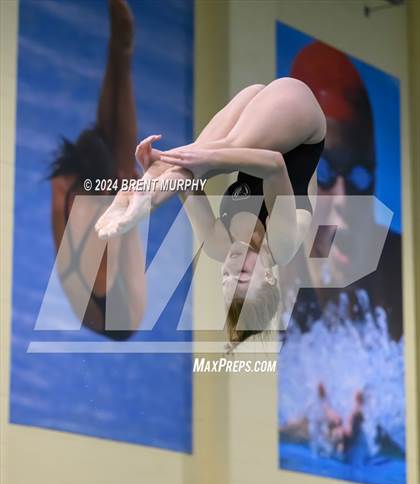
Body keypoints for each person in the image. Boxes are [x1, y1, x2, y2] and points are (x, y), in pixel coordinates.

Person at [95, 78, 327, 346]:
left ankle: (142, 189)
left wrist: (162, 163)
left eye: (225, 276)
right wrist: (202, 161)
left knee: (198, 159)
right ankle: (142, 199)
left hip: (257, 112)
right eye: (240, 275)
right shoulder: (282, 245)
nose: (230, 265)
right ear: (269, 277)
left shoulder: (219, 246)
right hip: (302, 122)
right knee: (216, 154)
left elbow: (186, 184)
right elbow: (274, 165)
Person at [282, 41, 403, 341]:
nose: (344, 200)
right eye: (324, 172)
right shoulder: (263, 278)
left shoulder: (401, 270)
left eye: (360, 176)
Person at [50, 0, 146, 340]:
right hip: (121, 314)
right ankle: (122, 53)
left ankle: (118, 50)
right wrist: (129, 193)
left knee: (118, 168)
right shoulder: (101, 271)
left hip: (92, 279)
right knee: (123, 172)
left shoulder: (64, 188)